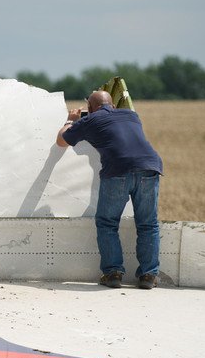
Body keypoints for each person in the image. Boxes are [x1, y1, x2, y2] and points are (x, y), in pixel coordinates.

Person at [56, 90, 163, 289]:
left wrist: (71, 120)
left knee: (107, 223)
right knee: (148, 224)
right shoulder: (132, 115)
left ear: (90, 108)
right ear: (113, 105)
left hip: (117, 171)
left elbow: (61, 140)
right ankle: (148, 276)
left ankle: (113, 273)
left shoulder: (89, 121)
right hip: (150, 167)